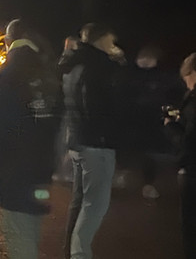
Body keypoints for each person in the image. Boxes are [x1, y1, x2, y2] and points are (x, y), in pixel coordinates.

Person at [0, 20, 63, 259]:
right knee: (31, 222)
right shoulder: (46, 70)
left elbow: (4, 123)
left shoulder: (11, 72)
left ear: (8, 40)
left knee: (16, 227)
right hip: (42, 166)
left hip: (16, 167)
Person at [60, 22, 126, 259]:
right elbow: (103, 104)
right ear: (100, 41)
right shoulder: (100, 66)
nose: (114, 46)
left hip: (79, 139)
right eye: (110, 41)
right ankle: (79, 254)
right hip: (96, 142)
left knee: (79, 203)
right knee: (95, 205)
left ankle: (71, 251)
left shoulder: (74, 63)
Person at [126, 45, 184, 200]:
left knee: (153, 152)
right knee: (149, 153)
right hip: (145, 119)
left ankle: (151, 183)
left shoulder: (161, 76)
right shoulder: (138, 75)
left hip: (153, 118)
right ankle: (149, 183)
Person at [166, 53, 196, 259]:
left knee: (190, 224)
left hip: (192, 169)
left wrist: (171, 127)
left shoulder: (193, 101)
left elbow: (188, 141)